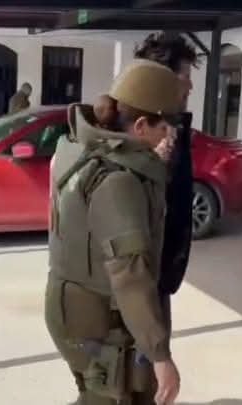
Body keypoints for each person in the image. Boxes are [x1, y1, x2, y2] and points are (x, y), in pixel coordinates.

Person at [45, 59, 183, 405]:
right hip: (93, 316)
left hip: (72, 304)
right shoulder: (118, 181)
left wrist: (152, 161)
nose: (172, 135)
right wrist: (160, 355)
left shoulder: (83, 147)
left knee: (102, 393)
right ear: (140, 125)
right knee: (109, 398)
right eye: (167, 126)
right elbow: (130, 274)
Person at [134, 31, 200, 330]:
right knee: (150, 353)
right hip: (141, 283)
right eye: (185, 77)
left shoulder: (174, 128)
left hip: (161, 276)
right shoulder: (140, 133)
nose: (191, 86)